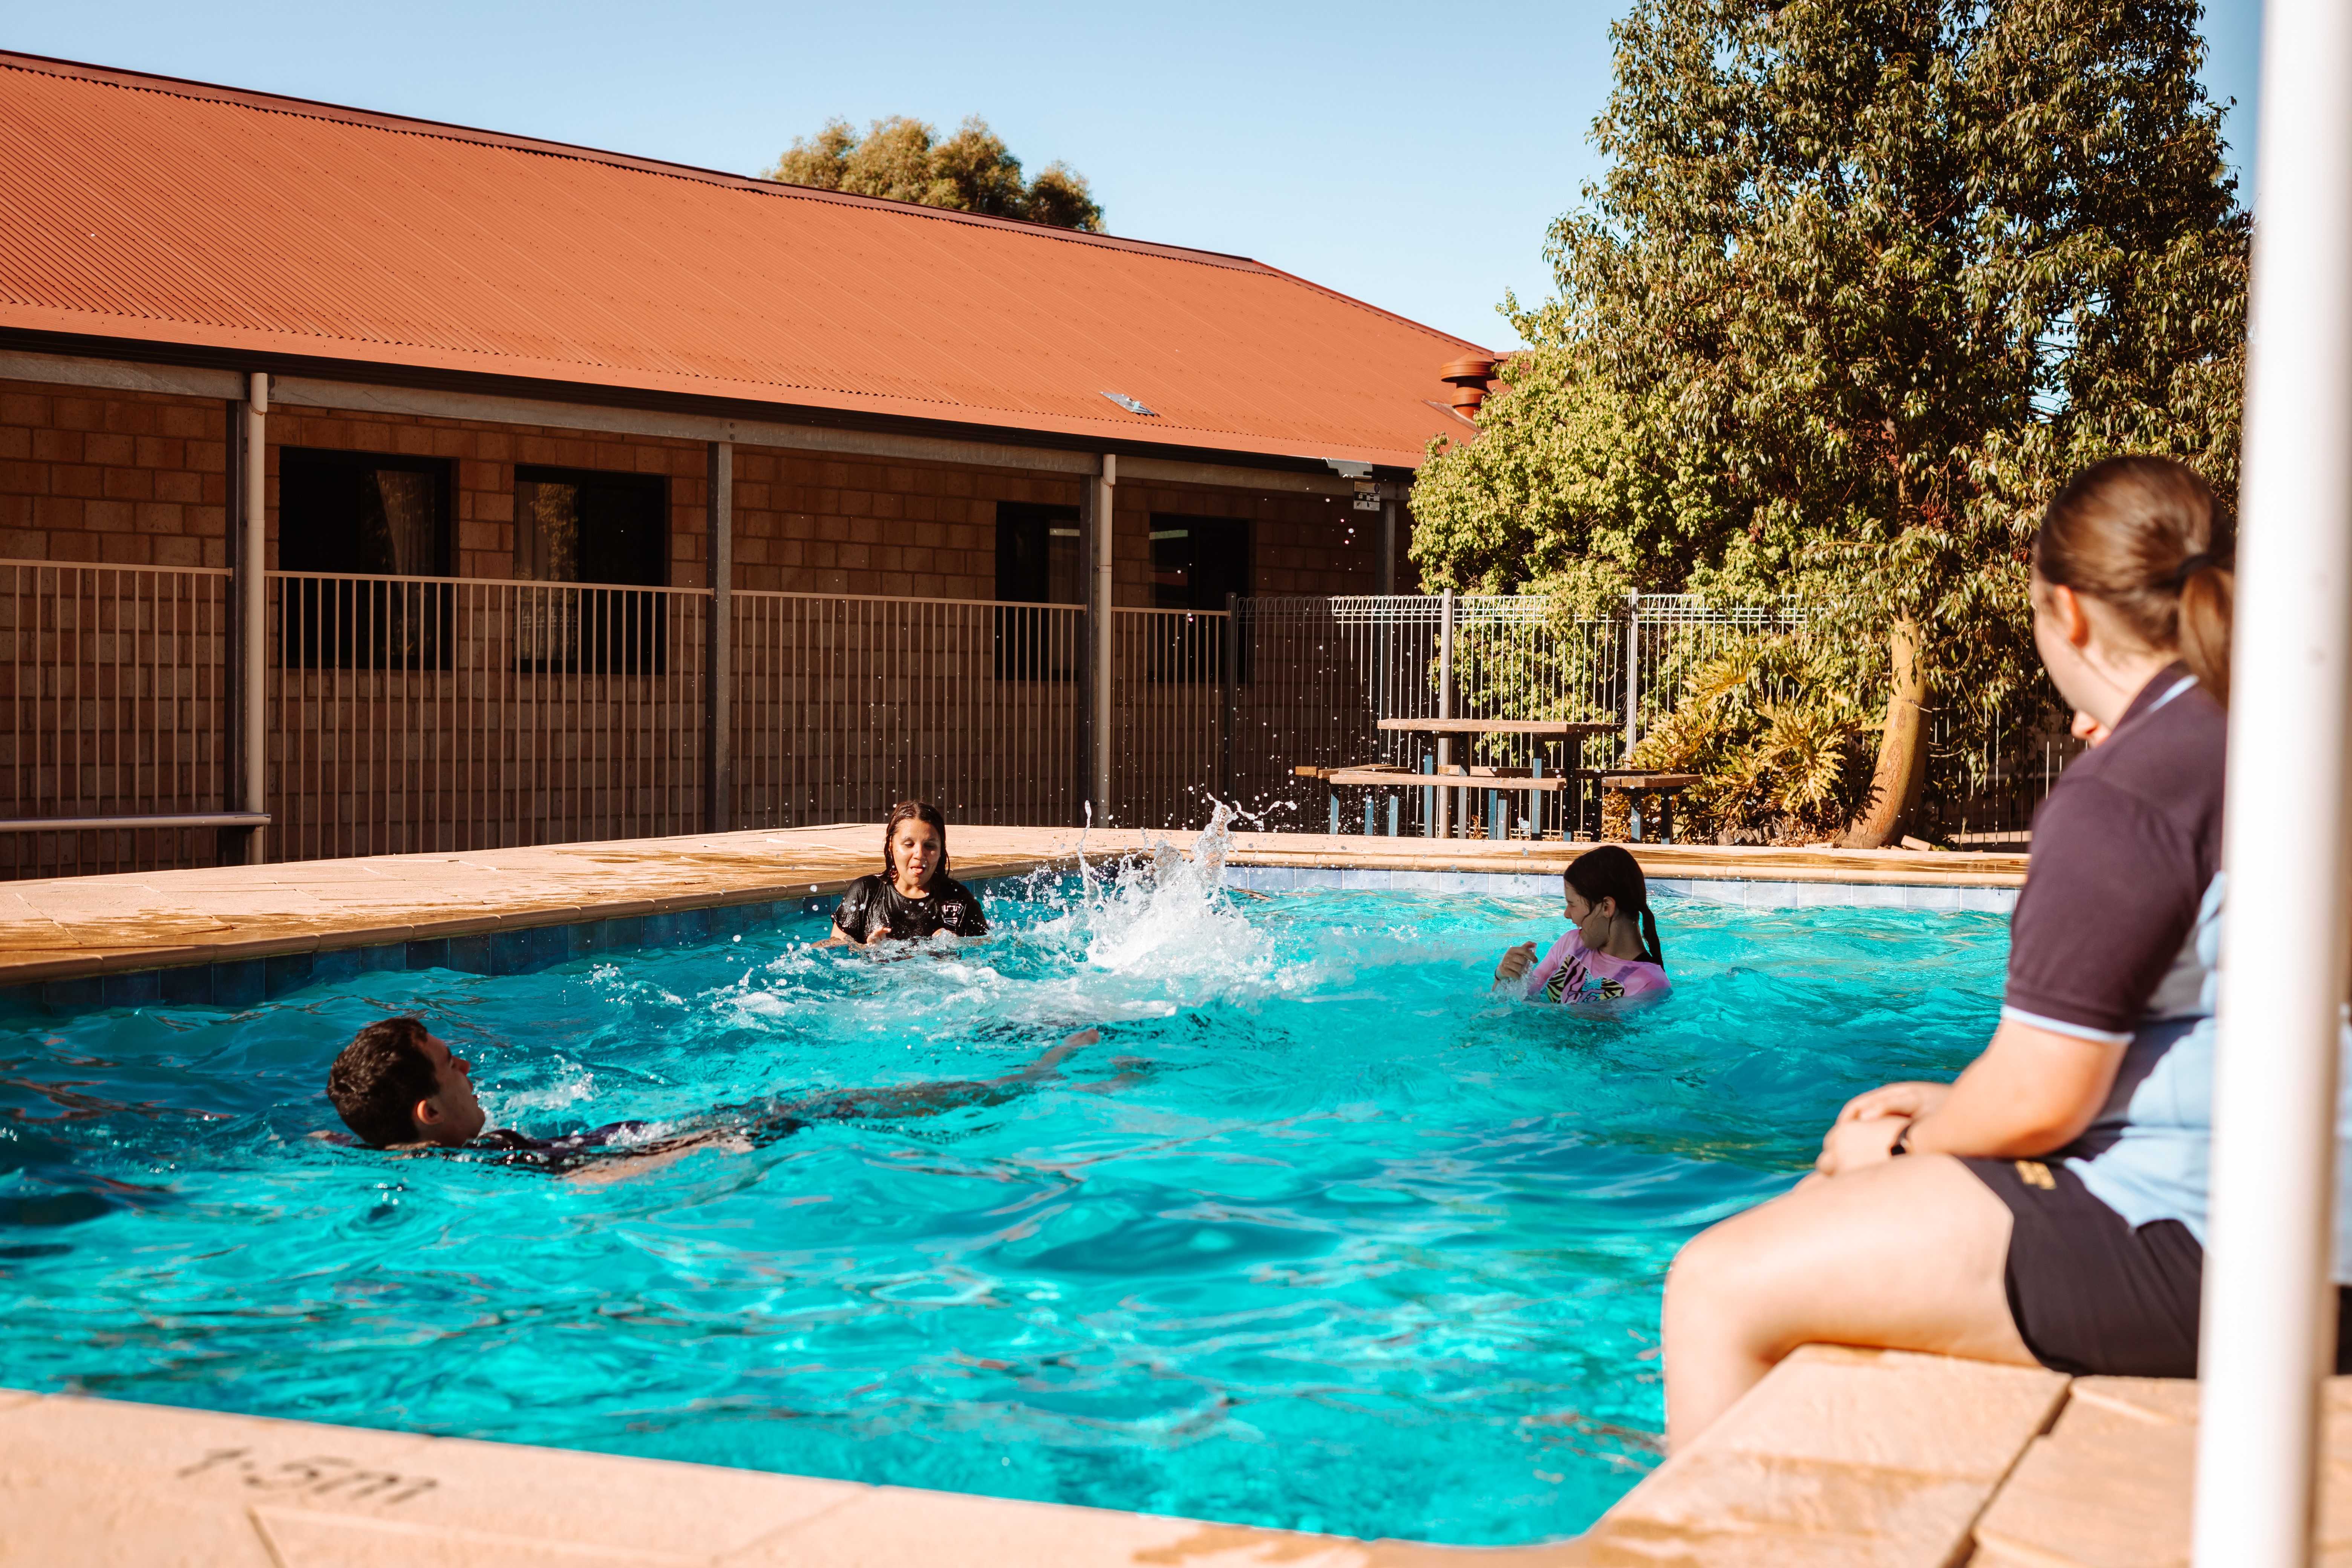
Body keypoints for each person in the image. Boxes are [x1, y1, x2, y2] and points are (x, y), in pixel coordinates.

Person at [1660, 454, 2258, 1451]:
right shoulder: (2282, 728)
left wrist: (1896, 1150)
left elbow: (2041, 1099)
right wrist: (1951, 1111)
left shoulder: (2133, 786)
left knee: (1720, 1285)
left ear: (2067, 613)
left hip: (2225, 1253)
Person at [324, 1014, 1096, 1170]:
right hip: (686, 1146)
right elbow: (588, 1182)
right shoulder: (484, 1170)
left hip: (651, 1136)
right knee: (839, 1105)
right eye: (452, 1061)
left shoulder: (415, 1155)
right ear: (428, 1112)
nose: (467, 1067)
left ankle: (1019, 1078)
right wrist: (707, 1147)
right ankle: (1028, 1080)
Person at [1493, 844, 1670, 1004]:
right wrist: (1505, 976)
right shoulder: (1570, 944)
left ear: (1607, 907)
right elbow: (1513, 1005)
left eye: (1573, 904)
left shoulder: (1649, 984)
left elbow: (1593, 1036)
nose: (1567, 914)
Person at [822, 800, 989, 946]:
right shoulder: (866, 893)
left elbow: (990, 949)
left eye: (930, 846)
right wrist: (867, 951)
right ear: (891, 847)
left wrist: (960, 946)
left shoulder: (959, 901)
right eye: (909, 844)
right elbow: (832, 950)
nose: (919, 854)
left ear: (941, 851)